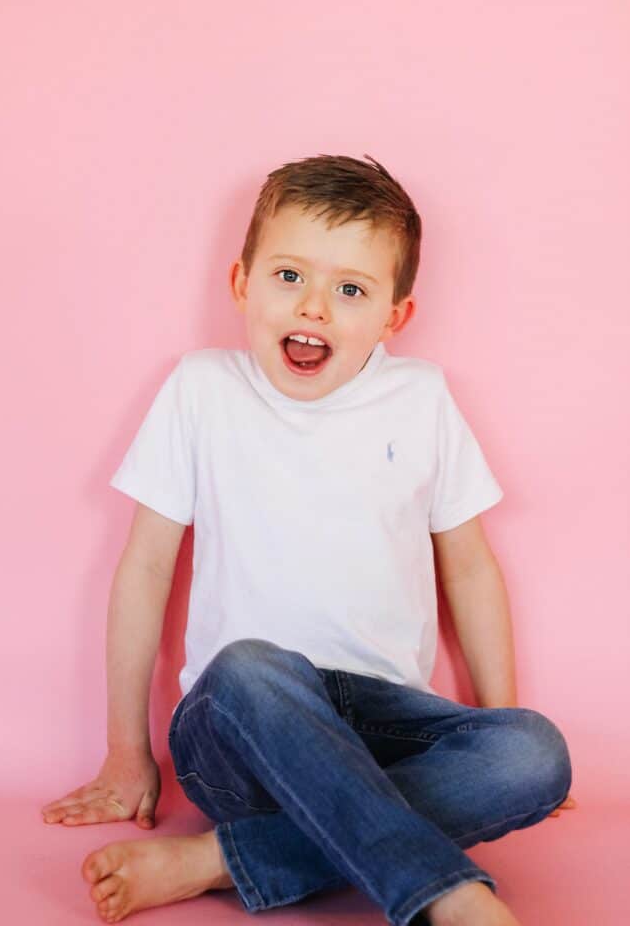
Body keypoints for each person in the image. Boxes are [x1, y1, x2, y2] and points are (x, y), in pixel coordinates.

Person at [41, 154, 575, 926]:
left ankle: (222, 859)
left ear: (394, 316)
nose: (314, 307)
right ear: (241, 283)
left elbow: (468, 566)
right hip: (238, 727)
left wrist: (492, 720)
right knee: (252, 666)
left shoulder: (420, 400)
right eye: (289, 276)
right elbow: (146, 566)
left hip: (380, 725)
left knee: (533, 753)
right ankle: (450, 897)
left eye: (350, 290)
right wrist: (129, 753)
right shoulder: (201, 389)